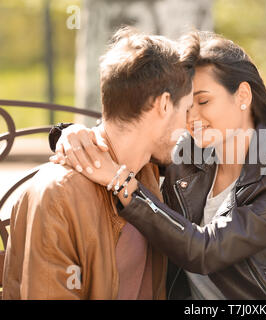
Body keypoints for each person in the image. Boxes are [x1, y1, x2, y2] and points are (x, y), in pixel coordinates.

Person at [49, 31, 266, 300]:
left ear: (243, 96)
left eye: (204, 101)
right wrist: (72, 134)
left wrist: (123, 185)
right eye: (186, 106)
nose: (191, 118)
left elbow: (205, 251)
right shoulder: (187, 154)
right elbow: (127, 137)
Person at [2, 27, 194, 299]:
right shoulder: (57, 196)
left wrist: (65, 130)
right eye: (185, 110)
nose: (188, 125)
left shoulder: (150, 171)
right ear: (164, 105)